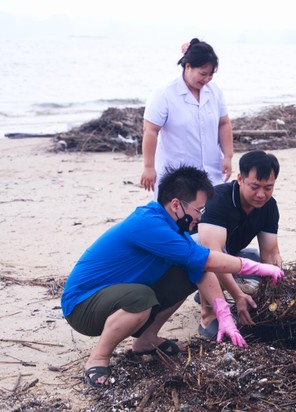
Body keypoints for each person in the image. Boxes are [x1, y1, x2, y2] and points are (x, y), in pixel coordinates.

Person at [61, 166, 284, 388]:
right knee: (140, 297)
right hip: (82, 306)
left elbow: (200, 268)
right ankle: (98, 358)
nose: (200, 217)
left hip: (114, 296)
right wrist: (256, 268)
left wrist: (222, 311)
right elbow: (207, 259)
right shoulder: (148, 223)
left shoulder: (175, 229)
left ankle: (146, 339)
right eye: (199, 210)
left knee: (187, 274)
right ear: (176, 204)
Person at [194, 150, 283, 337]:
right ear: (240, 178)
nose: (261, 194)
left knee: (257, 260)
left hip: (230, 255)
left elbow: (270, 253)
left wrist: (276, 291)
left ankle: (213, 289)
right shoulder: (218, 199)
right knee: (206, 253)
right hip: (192, 258)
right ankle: (208, 315)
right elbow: (212, 256)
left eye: (268, 187)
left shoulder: (269, 206)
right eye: (255, 186)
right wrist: (238, 296)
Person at [140, 38, 234, 197]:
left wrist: (228, 156)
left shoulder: (214, 92)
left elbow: (224, 124)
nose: (207, 79)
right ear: (188, 66)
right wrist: (149, 167)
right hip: (177, 175)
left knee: (211, 216)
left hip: (212, 171)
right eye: (203, 74)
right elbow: (150, 130)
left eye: (211, 75)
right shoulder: (165, 94)